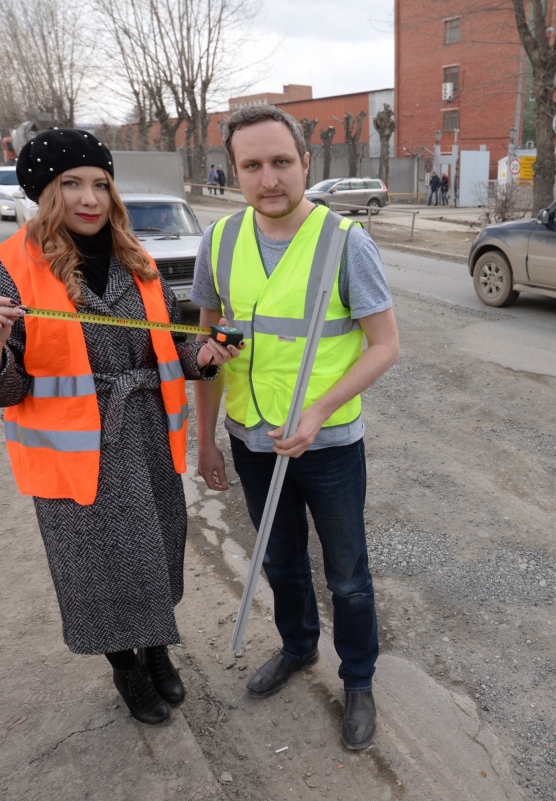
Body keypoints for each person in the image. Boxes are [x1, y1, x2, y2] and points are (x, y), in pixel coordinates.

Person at [0, 129, 238, 727]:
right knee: (99, 570)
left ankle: (157, 651)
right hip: (75, 456)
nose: (90, 198)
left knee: (155, 555)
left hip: (145, 440)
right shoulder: (2, 269)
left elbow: (162, 350)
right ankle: (125, 668)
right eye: (72, 185)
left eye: (101, 184)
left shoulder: (137, 261)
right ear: (43, 192)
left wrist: (204, 355)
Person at [190, 105, 399, 751]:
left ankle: (358, 679)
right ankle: (299, 646)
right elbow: (206, 346)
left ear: (305, 164)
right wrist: (205, 438)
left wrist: (318, 411)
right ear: (235, 171)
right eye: (252, 165)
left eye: (282, 161)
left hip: (328, 443)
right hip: (251, 438)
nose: (269, 178)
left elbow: (385, 344)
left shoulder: (345, 241)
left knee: (346, 574)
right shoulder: (218, 242)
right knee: (279, 558)